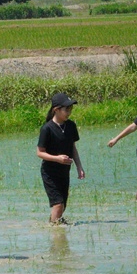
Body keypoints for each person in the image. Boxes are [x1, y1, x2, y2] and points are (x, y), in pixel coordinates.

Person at [36, 93, 85, 224]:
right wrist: (57, 158)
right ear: (56, 110)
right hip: (50, 172)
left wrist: (79, 167)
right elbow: (40, 153)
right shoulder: (47, 129)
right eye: (66, 109)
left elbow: (73, 148)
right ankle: (55, 231)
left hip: (64, 171)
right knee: (58, 204)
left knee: (62, 206)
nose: (69, 112)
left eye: (70, 109)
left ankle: (54, 226)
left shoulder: (71, 126)